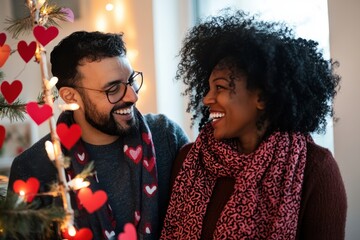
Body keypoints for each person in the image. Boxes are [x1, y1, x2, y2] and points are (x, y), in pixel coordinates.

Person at [160, 10, 347, 240]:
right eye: (207, 88)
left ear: (262, 97)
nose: (207, 99)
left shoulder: (315, 169)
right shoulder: (190, 160)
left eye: (219, 87)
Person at [7, 31, 189, 239]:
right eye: (113, 89)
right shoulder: (34, 166)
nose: (132, 96)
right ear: (71, 96)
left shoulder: (166, 137)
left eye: (131, 81)